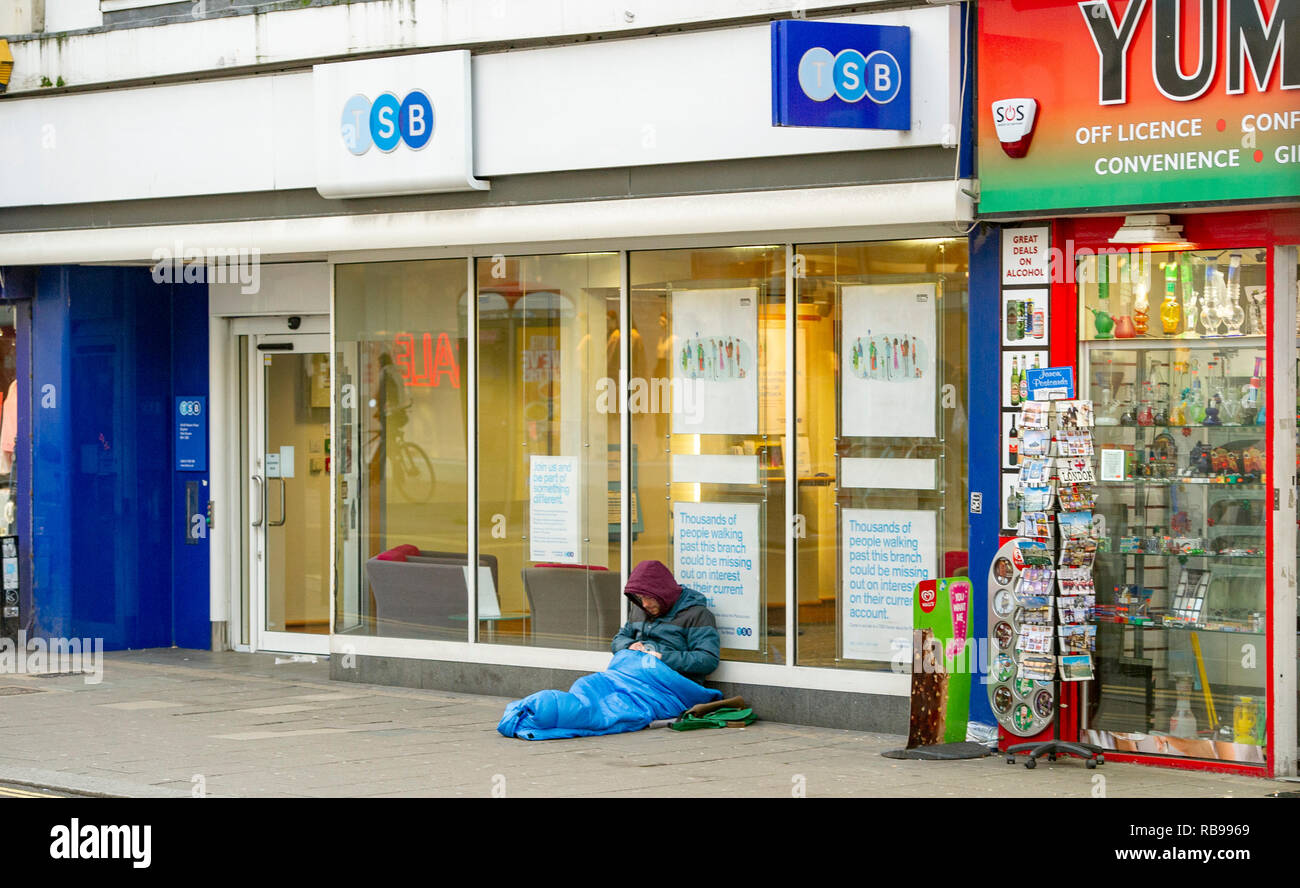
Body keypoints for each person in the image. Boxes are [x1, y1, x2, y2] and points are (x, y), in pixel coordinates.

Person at [611, 560, 720, 679]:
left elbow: (707, 660)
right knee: (593, 687)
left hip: (672, 684)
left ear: (663, 593)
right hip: (635, 676)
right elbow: (618, 639)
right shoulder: (639, 610)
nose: (645, 604)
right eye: (640, 598)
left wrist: (662, 658)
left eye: (649, 597)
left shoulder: (697, 614)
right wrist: (629, 645)